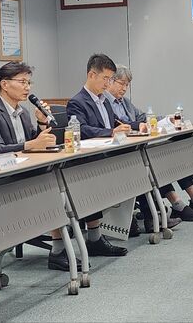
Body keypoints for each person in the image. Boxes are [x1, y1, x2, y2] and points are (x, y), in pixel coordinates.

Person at [0, 62, 79, 271]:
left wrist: (41, 125)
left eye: (29, 82)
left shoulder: (22, 112)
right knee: (52, 188)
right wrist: (30, 145)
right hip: (4, 178)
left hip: (25, 172)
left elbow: (33, 141)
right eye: (22, 82)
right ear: (5, 84)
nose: (27, 87)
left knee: (60, 181)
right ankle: (58, 251)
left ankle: (59, 249)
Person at [104, 65, 193, 232]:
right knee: (154, 160)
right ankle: (176, 204)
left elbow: (143, 117)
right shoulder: (105, 102)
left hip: (136, 146)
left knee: (172, 150)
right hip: (120, 152)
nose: (124, 88)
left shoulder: (125, 102)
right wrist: (137, 125)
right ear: (110, 81)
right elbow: (120, 124)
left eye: (127, 85)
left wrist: (166, 118)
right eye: (122, 83)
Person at [64, 53, 129, 257]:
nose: (108, 83)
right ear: (92, 75)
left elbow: (116, 122)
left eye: (110, 79)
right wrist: (110, 132)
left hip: (108, 153)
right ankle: (94, 237)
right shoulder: (77, 102)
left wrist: (137, 126)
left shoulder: (105, 101)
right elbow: (82, 129)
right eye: (105, 78)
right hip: (89, 160)